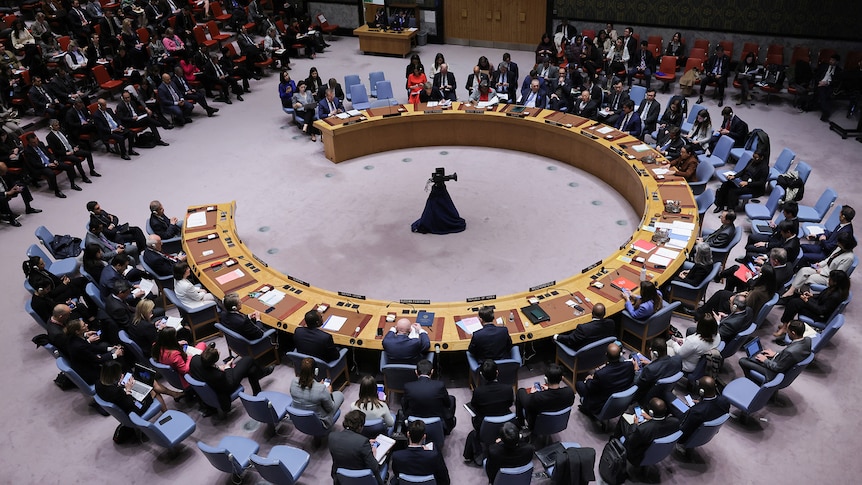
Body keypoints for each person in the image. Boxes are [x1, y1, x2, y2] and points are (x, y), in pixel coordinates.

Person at [190, 344, 274, 412]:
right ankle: (262, 373)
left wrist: (218, 368)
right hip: (226, 387)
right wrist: (227, 367)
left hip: (211, 381)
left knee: (251, 370)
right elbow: (229, 382)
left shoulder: (194, 360)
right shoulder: (218, 375)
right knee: (248, 359)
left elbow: (206, 370)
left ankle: (257, 390)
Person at [462, 360, 515, 464]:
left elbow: (475, 407)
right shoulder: (508, 389)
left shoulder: (478, 392)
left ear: (481, 375)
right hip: (505, 422)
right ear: (497, 372)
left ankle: (478, 452)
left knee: (474, 419)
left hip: (484, 425)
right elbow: (509, 404)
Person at [775, 270, 850, 337]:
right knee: (796, 298)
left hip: (819, 315)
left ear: (835, 282)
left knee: (794, 303)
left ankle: (785, 327)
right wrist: (812, 295)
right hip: (819, 305)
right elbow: (823, 295)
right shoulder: (836, 288)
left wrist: (807, 301)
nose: (828, 280)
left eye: (830, 279)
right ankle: (786, 324)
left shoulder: (835, 296)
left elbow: (821, 310)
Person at [785, 232, 856, 298]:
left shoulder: (849, 258)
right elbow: (829, 259)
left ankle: (799, 295)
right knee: (803, 270)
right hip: (824, 269)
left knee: (808, 278)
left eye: (839, 243)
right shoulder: (839, 248)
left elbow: (837, 274)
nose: (837, 244)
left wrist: (822, 272)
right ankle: (791, 291)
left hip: (829, 277)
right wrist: (820, 265)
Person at [612, 398, 679, 466]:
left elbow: (630, 440)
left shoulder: (643, 429)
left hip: (637, 456)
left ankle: (614, 444)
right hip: (658, 453)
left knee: (623, 419)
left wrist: (634, 424)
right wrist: (652, 419)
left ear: (651, 412)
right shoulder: (675, 422)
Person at [739, 320, 811, 382]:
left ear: (793, 333)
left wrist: (765, 360)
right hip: (783, 362)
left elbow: (777, 368)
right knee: (759, 356)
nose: (786, 332)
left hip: (774, 372)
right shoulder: (808, 340)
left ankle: (754, 383)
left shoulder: (790, 352)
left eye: (787, 330)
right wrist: (775, 354)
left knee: (743, 360)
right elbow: (788, 356)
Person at [575, 343, 634, 417]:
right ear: (620, 355)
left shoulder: (601, 374)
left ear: (606, 355)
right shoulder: (629, 365)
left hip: (602, 401)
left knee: (579, 384)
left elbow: (591, 388)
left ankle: (588, 408)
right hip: (619, 395)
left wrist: (589, 379)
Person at [328, 410, 383, 485]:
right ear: (360, 426)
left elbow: (348, 446)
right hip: (362, 478)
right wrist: (373, 452)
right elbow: (374, 467)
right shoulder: (363, 442)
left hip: (341, 477)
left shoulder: (332, 436)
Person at [402, 359, 457, 434]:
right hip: (436, 415)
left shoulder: (408, 386)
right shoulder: (439, 385)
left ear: (416, 372)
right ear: (432, 371)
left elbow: (405, 406)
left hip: (414, 416)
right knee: (451, 399)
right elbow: (447, 403)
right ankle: (448, 426)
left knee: (403, 399)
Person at [516, 362, 575, 429]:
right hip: (558, 423)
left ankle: (520, 423)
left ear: (545, 379)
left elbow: (528, 406)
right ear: (562, 378)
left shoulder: (537, 397)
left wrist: (532, 394)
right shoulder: (569, 392)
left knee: (521, 391)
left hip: (537, 425)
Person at [65, 319, 124, 385]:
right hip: (90, 372)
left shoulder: (73, 338)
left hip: (87, 363)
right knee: (115, 360)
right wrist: (115, 354)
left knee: (108, 349)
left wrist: (110, 349)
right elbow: (97, 360)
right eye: (84, 325)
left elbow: (90, 347)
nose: (87, 325)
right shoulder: (79, 346)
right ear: (77, 331)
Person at [290, 357, 344, 429]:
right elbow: (330, 408)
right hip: (319, 422)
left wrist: (318, 385)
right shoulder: (321, 389)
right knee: (339, 395)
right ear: (316, 371)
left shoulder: (293, 381)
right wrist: (329, 393)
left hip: (298, 417)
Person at [391, 419, 450, 485]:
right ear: (424, 437)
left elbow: (396, 474)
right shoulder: (434, 455)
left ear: (408, 434)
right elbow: (444, 479)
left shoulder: (397, 456)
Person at [676, 376, 729, 445]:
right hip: (704, 431)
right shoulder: (724, 401)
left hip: (687, 436)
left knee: (674, 402)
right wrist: (701, 403)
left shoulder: (696, 411)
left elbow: (684, 430)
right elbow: (712, 408)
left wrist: (691, 409)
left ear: (701, 391)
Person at [23, 132, 77, 198]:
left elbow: (50, 154)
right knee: (51, 174)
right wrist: (47, 165)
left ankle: (73, 184)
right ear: (29, 143)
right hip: (41, 167)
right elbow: (35, 164)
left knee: (68, 166)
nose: (36, 143)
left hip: (51, 162)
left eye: (36, 141)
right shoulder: (27, 151)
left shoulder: (41, 144)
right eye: (33, 143)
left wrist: (54, 160)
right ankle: (57, 191)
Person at [632, 338, 682, 404]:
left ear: (655, 353)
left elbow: (637, 384)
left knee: (633, 355)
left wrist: (636, 370)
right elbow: (664, 367)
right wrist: (651, 363)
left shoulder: (649, 369)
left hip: (648, 397)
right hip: (666, 390)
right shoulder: (677, 360)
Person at [816, 54, 842, 122]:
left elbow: (837, 82)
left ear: (837, 62)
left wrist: (827, 83)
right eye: (830, 59)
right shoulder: (824, 66)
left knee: (826, 94)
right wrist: (819, 82)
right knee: (822, 92)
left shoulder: (839, 71)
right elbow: (816, 75)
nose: (830, 61)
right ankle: (826, 112)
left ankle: (825, 111)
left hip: (829, 85)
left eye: (833, 60)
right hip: (820, 83)